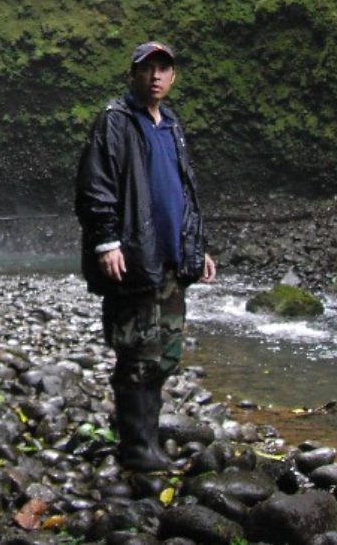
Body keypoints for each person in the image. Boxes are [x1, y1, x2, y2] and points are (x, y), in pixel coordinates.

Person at [74, 40, 215, 471]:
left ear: (173, 77)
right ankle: (136, 448)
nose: (155, 76)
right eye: (147, 68)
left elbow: (184, 193)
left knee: (167, 353)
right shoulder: (114, 121)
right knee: (137, 353)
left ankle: (148, 438)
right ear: (133, 74)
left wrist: (199, 246)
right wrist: (107, 241)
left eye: (163, 68)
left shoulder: (171, 125)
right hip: (134, 258)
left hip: (172, 260)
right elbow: (95, 185)